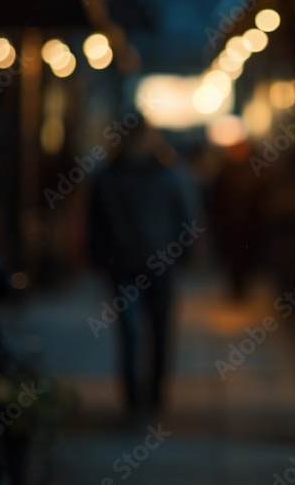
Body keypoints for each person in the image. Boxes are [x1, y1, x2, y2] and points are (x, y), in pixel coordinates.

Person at [88, 117, 196, 417]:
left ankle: (146, 398)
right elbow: (96, 224)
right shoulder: (157, 175)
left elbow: (184, 217)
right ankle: (141, 399)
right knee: (141, 333)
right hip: (136, 265)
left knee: (146, 333)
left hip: (144, 265)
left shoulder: (120, 176)